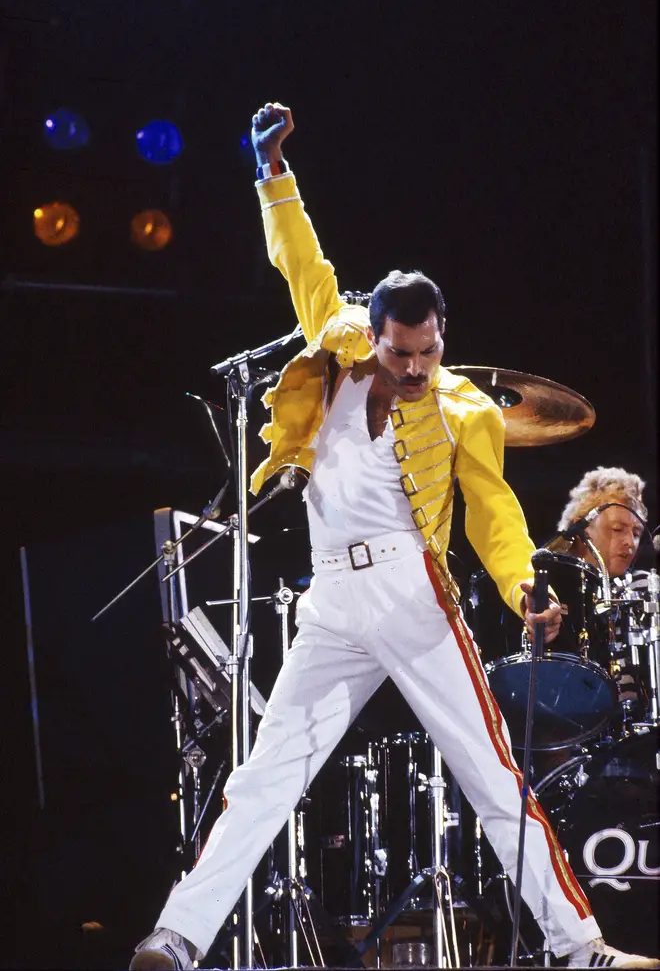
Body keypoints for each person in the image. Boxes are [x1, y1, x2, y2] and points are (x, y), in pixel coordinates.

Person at [129, 103, 659, 970]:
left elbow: (491, 509)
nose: (416, 369)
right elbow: (302, 260)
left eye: (428, 351)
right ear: (373, 338)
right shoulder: (336, 347)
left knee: (492, 776)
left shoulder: (463, 408)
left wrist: (524, 580)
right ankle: (177, 935)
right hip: (332, 600)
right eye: (401, 353)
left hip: (417, 598)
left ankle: (583, 948)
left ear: (440, 336)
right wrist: (271, 169)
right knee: (265, 777)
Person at [551, 466, 649, 711]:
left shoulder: (641, 587)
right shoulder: (548, 586)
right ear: (580, 529)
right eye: (618, 529)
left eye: (636, 533)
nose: (630, 542)